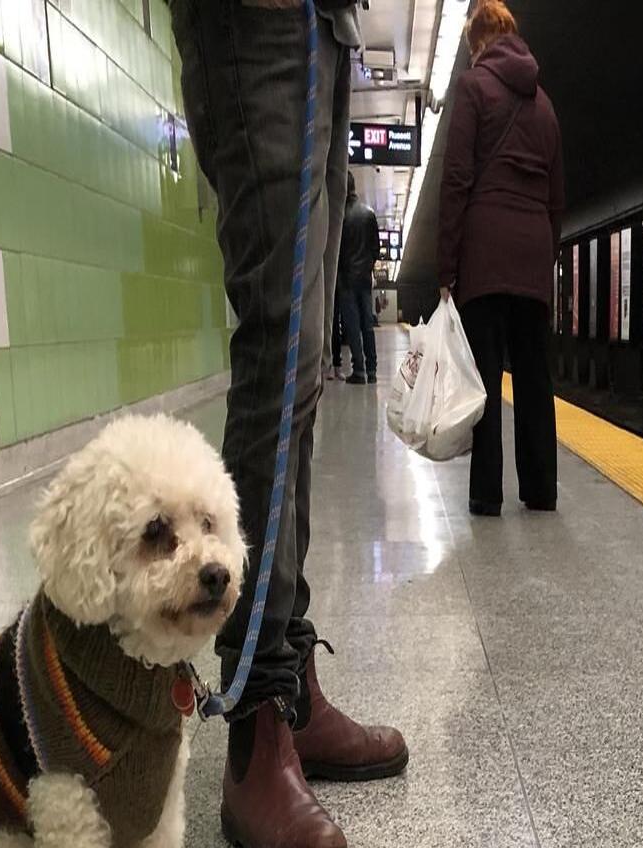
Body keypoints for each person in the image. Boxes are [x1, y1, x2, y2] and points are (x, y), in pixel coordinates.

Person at [170, 4, 408, 848]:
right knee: (280, 347)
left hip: (322, 26)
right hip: (257, 18)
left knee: (300, 370)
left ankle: (292, 686)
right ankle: (256, 712)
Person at [437, 0, 564, 517]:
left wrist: (447, 268)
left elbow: (457, 180)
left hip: (485, 256)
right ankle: (541, 490)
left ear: (478, 43)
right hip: (532, 255)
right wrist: (544, 255)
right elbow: (557, 197)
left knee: (484, 379)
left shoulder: (472, 89)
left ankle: (486, 493)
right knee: (535, 379)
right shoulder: (547, 106)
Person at [337, 171, 380, 384]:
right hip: (364, 278)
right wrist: (368, 268)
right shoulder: (369, 213)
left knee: (352, 325)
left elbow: (336, 251)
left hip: (346, 279)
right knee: (367, 324)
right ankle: (372, 370)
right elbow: (376, 249)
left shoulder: (340, 217)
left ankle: (359, 370)